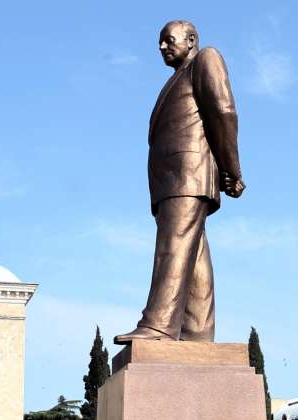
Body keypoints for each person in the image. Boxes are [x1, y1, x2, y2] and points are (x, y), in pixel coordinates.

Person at [114, 20, 244, 345]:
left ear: (191, 39)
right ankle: (197, 332)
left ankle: (158, 325)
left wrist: (231, 169)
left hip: (188, 175)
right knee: (193, 253)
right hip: (172, 181)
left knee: (172, 249)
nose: (162, 47)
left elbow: (224, 111)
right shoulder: (177, 78)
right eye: (160, 42)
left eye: (168, 40)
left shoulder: (206, 59)